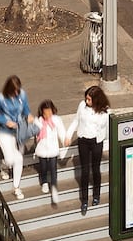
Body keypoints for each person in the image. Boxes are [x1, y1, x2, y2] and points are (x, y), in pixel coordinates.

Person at [0, 76, 38, 200]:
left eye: (18, 90)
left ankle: (16, 187)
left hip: (18, 131)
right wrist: (5, 121)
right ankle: (4, 166)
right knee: (10, 160)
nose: (17, 93)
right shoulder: (1, 98)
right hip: (5, 132)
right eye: (14, 91)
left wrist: (29, 115)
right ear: (9, 89)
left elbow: (25, 108)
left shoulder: (22, 95)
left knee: (19, 158)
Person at [72, 84, 110, 216]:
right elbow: (76, 120)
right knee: (84, 171)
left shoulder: (105, 112)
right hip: (83, 140)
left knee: (95, 169)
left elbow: (108, 129)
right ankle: (84, 200)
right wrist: (67, 134)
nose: (86, 101)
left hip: (96, 142)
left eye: (89, 99)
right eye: (86, 98)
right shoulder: (82, 106)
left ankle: (96, 195)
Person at [33, 98, 71, 204]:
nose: (48, 115)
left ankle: (54, 189)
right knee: (44, 167)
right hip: (42, 148)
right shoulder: (38, 121)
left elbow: (61, 131)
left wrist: (64, 140)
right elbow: (33, 132)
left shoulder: (56, 120)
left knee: (53, 169)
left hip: (53, 148)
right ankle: (44, 181)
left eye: (49, 112)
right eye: (45, 113)